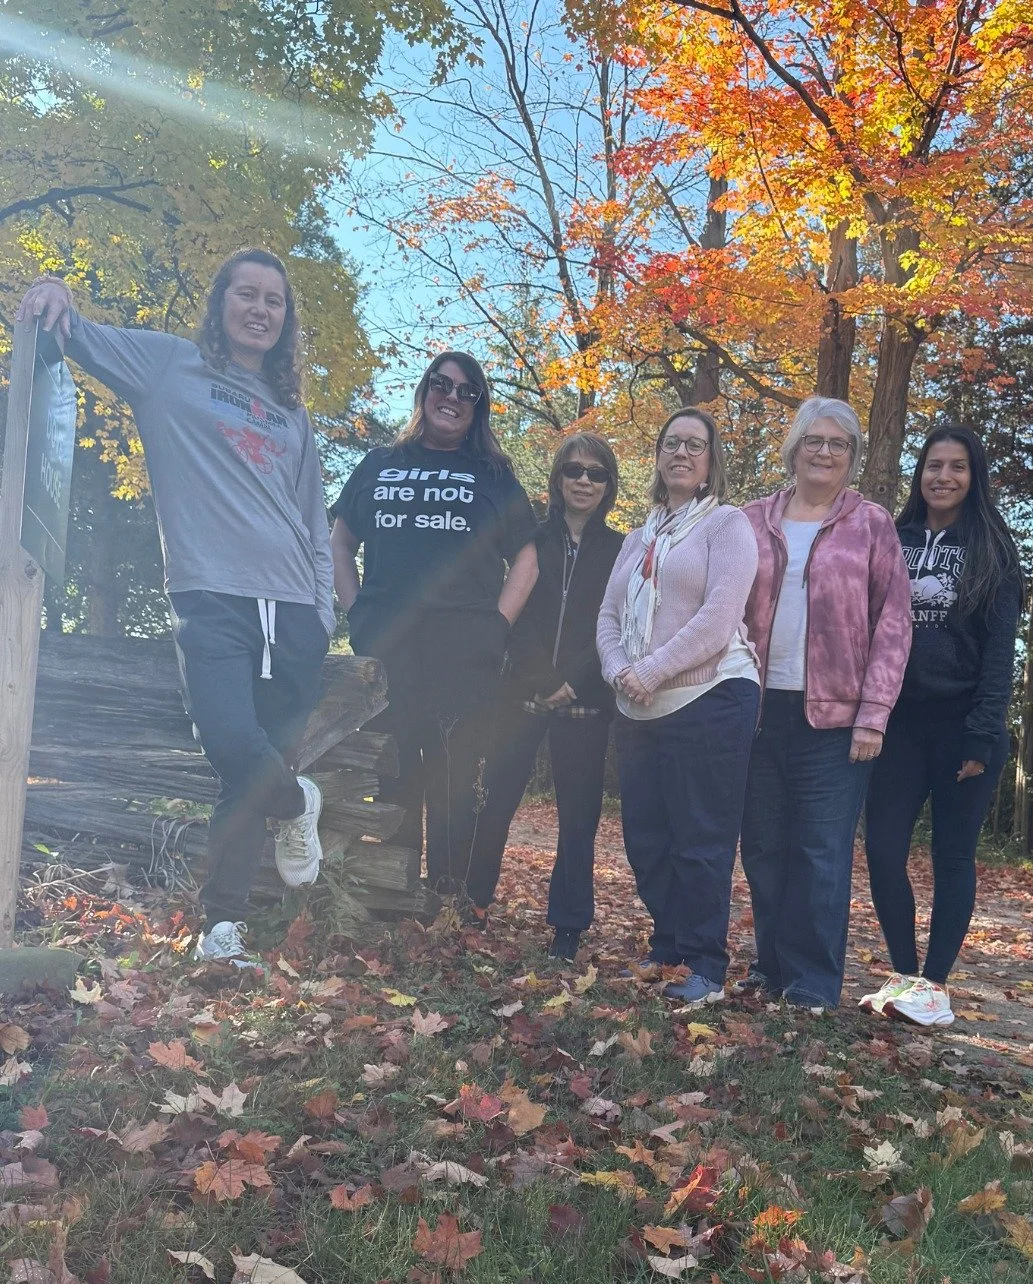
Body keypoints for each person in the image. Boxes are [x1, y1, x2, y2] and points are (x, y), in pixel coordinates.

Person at [18, 252, 334, 967]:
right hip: (208, 595)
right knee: (230, 742)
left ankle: (222, 929)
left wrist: (322, 611)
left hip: (293, 611)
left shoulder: (292, 412)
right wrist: (54, 287)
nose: (260, 309)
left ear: (286, 321)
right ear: (220, 302)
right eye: (246, 294)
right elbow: (77, 333)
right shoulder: (167, 368)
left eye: (274, 301)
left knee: (247, 770)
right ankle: (296, 802)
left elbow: (313, 521)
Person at [330, 353, 537, 919]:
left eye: (466, 391)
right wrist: (357, 612)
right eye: (441, 385)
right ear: (424, 392)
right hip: (387, 650)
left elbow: (526, 559)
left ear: (478, 406)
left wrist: (496, 625)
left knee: (451, 776)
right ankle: (395, 896)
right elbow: (340, 541)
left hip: (463, 653)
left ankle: (448, 902)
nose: (451, 396)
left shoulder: (493, 474)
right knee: (395, 771)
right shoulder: (379, 463)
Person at [740, 396, 911, 1009]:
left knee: (820, 852)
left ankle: (812, 984)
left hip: (835, 720)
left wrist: (873, 714)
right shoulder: (751, 519)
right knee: (762, 846)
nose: (824, 452)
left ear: (852, 457)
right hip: (754, 712)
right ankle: (770, 965)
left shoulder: (871, 524)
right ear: (793, 449)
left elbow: (893, 622)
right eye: (814, 440)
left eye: (838, 444)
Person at [596, 408, 760, 1003]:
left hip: (711, 697)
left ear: (712, 461)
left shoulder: (727, 526)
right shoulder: (640, 536)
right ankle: (668, 943)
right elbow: (608, 614)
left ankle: (706, 965)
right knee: (645, 838)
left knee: (701, 840)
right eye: (672, 444)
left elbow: (720, 617)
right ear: (659, 457)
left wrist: (651, 670)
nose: (682, 454)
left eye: (695, 445)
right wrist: (619, 670)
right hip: (639, 703)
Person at [861, 426, 1023, 1027]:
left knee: (952, 856)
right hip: (895, 724)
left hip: (963, 728)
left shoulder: (994, 551)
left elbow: (999, 654)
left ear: (973, 476)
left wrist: (983, 734)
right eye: (933, 465)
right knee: (881, 850)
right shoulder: (893, 537)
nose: (944, 477)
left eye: (957, 467)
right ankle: (904, 975)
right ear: (919, 473)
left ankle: (936, 985)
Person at [468, 434, 624, 958]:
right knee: (496, 801)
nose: (584, 480)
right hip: (521, 694)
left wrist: (573, 681)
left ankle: (568, 926)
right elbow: (519, 617)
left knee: (578, 815)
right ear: (558, 479)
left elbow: (616, 623)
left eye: (596, 473)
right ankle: (475, 901)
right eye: (575, 470)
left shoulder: (621, 550)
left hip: (586, 698)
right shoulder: (530, 541)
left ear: (608, 485)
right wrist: (542, 678)